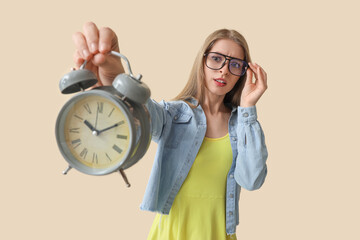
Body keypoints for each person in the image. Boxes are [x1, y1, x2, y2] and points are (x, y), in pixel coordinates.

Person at [72, 22, 268, 240]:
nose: (224, 70)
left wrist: (248, 107)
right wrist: (116, 76)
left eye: (235, 64)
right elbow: (140, 113)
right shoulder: (173, 115)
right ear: (202, 61)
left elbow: (252, 180)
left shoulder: (243, 126)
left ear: (243, 73)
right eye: (216, 58)